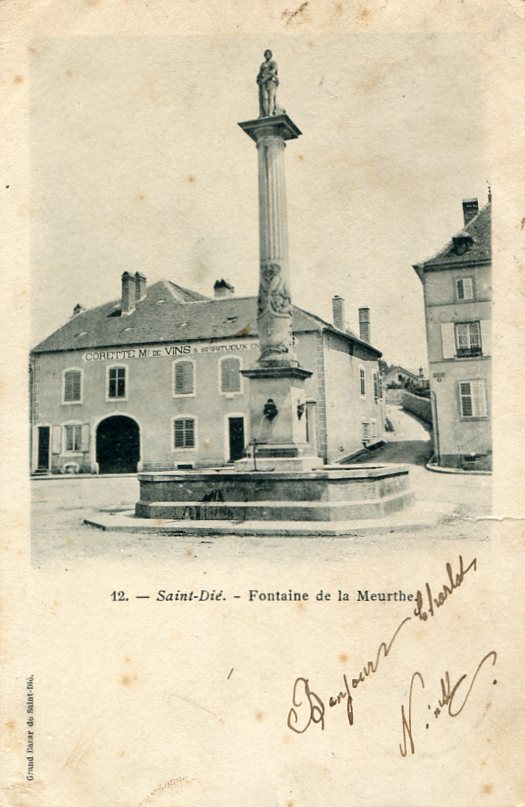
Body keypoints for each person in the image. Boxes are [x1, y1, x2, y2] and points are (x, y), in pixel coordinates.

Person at [257, 50, 281, 117]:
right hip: (264, 84)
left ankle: (270, 113)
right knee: (265, 98)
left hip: (271, 82)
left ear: (271, 55)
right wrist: (259, 80)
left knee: (271, 97)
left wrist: (264, 79)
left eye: (269, 54)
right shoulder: (263, 64)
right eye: (266, 54)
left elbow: (273, 72)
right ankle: (266, 114)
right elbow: (260, 74)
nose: (267, 55)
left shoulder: (273, 63)